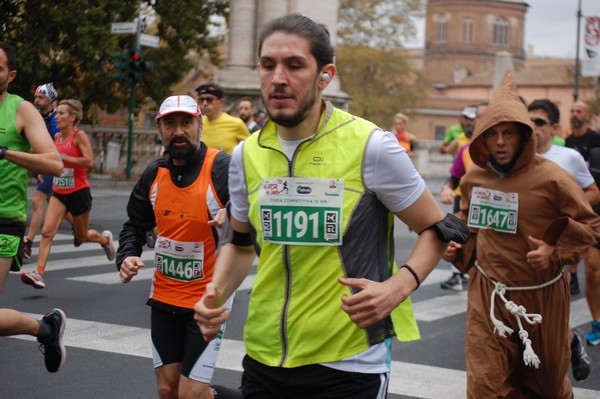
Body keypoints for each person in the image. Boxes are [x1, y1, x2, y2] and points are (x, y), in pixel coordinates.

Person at [194, 14, 469, 398]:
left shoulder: (370, 146)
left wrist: (398, 286)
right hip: (263, 354)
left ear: (325, 75)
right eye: (267, 64)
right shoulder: (245, 156)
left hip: (348, 361)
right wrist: (214, 294)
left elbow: (440, 228)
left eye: (294, 65)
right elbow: (240, 244)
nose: (278, 78)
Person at [443, 70, 600, 398]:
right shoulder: (474, 179)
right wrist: (456, 245)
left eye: (508, 133)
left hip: (541, 297)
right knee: (486, 385)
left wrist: (553, 250)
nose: (500, 142)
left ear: (523, 136)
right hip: (489, 294)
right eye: (492, 134)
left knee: (544, 386)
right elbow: (467, 219)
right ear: (482, 138)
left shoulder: (554, 179)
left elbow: (590, 227)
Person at [116, 95, 235, 399]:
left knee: (191, 394)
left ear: (200, 126)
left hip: (208, 300)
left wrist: (232, 214)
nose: (178, 131)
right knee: (168, 390)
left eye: (186, 122)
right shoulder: (155, 173)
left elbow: (253, 209)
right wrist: (127, 255)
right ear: (160, 129)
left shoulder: (221, 167)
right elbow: (135, 224)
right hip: (165, 296)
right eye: (170, 123)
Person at [0, 40, 66, 373]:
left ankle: (44, 329)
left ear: (9, 75)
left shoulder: (21, 110)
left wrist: (5, 152)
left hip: (4, 219)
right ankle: (46, 329)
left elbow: (54, 164)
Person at [528, 98, 597, 381]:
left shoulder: (568, 157)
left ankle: (569, 342)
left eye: (539, 122)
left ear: (554, 128)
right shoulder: (515, 156)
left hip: (552, 245)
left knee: (547, 314)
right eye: (528, 121)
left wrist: (563, 209)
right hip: (518, 243)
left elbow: (593, 192)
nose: (532, 127)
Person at [21, 99, 116, 289]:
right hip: (58, 192)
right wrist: (42, 171)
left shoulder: (79, 136)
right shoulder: (56, 138)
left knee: (81, 236)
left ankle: (105, 241)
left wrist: (65, 157)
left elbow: (89, 161)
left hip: (79, 192)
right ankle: (39, 273)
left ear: (73, 117)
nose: (57, 117)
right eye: (57, 113)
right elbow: (51, 161)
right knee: (47, 232)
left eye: (62, 113)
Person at [23, 83, 77, 260]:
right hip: (43, 163)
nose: (36, 100)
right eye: (36, 96)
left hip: (53, 165)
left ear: (51, 100)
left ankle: (28, 243)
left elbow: (59, 145)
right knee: (50, 199)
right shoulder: (37, 115)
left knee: (37, 200)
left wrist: (46, 167)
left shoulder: (56, 120)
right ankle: (78, 224)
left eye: (41, 97)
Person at [439, 102, 488, 291]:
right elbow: (454, 177)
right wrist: (446, 188)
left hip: (497, 210)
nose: (481, 120)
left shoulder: (507, 150)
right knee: (456, 237)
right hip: (467, 202)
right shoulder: (465, 147)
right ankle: (457, 275)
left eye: (485, 115)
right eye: (479, 116)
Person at [565, 101, 600, 345]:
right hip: (594, 214)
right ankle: (597, 323)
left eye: (580, 112)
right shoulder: (578, 147)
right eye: (573, 111)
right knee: (593, 272)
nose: (575, 115)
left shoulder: (594, 140)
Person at [195, 82, 250, 154]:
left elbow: (250, 150)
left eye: (209, 99)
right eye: (201, 100)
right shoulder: (197, 123)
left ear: (221, 101)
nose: (204, 104)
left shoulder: (236, 124)